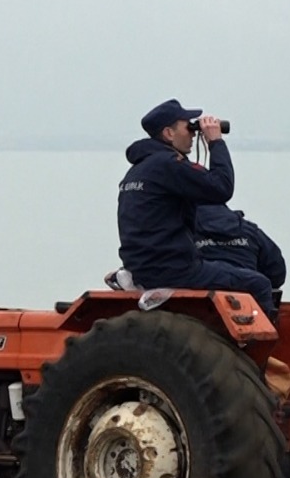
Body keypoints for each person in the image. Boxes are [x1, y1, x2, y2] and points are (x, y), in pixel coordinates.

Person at [116, 99, 277, 320]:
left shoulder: (138, 171)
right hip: (174, 270)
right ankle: (252, 354)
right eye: (188, 126)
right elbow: (221, 188)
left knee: (219, 267)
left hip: (144, 268)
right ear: (169, 133)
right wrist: (215, 142)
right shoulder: (167, 165)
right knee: (258, 283)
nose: (193, 133)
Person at [192, 204, 287, 298]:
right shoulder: (249, 230)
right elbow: (276, 272)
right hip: (250, 297)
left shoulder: (185, 232)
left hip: (197, 300)